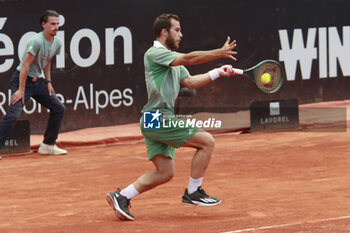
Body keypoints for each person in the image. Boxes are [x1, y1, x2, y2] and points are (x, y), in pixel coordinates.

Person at [106, 13, 237, 221]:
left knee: (164, 173)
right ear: (164, 32)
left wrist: (217, 72)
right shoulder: (154, 53)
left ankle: (121, 196)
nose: (181, 34)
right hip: (156, 118)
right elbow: (188, 58)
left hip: (152, 119)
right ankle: (194, 192)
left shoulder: (173, 63)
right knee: (207, 142)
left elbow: (192, 82)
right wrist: (218, 53)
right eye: (177, 30)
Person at [0, 10, 67, 158]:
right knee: (13, 115)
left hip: (38, 82)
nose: (56, 27)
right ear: (44, 24)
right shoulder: (36, 41)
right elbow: (25, 65)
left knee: (59, 108)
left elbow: (47, 61)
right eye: (52, 24)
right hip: (22, 80)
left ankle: (48, 145)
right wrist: (21, 90)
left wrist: (48, 82)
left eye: (57, 24)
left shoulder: (57, 42)